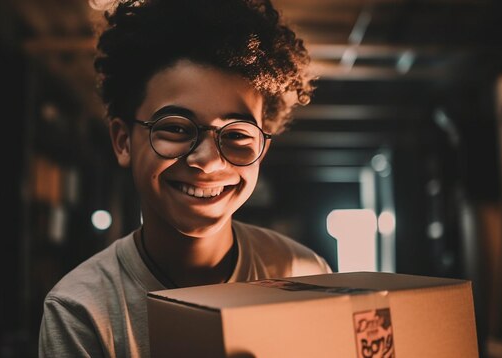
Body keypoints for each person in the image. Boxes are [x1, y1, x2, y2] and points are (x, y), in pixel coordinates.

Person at [39, 0, 331, 356]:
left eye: (237, 135)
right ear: (122, 141)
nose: (208, 162)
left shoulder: (305, 276)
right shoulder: (81, 311)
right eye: (176, 128)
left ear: (262, 147)